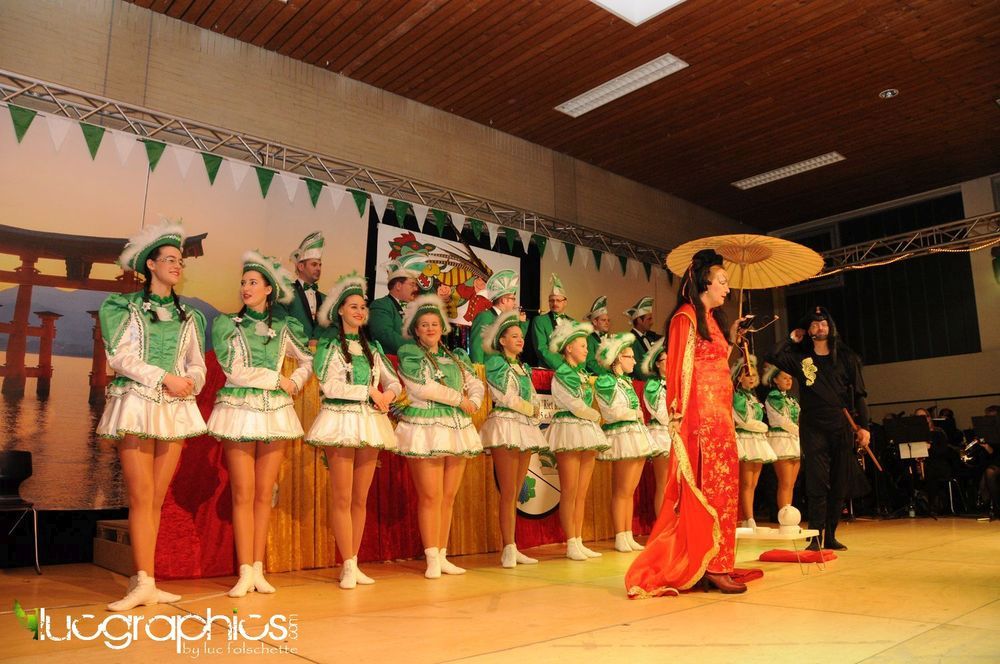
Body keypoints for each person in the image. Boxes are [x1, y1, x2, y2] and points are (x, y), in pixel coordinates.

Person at [97, 220, 207, 611]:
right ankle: (142, 580)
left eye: (180, 261)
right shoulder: (124, 307)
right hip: (138, 403)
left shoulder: (190, 316)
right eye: (170, 260)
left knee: (157, 498)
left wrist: (191, 381)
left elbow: (197, 363)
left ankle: (147, 580)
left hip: (174, 408)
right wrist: (165, 378)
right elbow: (120, 357)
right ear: (151, 265)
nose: (177, 266)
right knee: (141, 496)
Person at [626, 248, 748, 597]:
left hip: (722, 416)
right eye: (722, 281)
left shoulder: (714, 320)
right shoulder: (686, 317)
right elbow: (679, 368)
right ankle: (710, 564)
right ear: (705, 281)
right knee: (710, 488)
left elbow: (716, 362)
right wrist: (678, 415)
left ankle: (718, 561)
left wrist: (732, 337)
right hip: (701, 418)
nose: (727, 288)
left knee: (725, 489)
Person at [207, 251, 313, 597]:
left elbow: (307, 360)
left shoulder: (284, 328)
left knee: (264, 493)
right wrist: (277, 379)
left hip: (274, 413)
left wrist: (295, 382)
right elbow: (234, 370)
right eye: (243, 282)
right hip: (240, 410)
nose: (246, 288)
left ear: (269, 289)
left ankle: (258, 568)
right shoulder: (229, 325)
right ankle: (243, 571)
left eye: (253, 282)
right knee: (243, 492)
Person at [305, 272, 401, 589]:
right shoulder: (330, 346)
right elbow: (330, 385)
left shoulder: (373, 347)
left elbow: (394, 382)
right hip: (341, 421)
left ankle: (354, 561)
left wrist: (388, 395)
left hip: (370, 423)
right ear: (340, 311)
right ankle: (346, 563)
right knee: (343, 496)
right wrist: (368, 392)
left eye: (362, 307)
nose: (359, 311)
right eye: (353, 306)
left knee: (360, 498)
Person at [764, 306, 870, 551]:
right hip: (813, 427)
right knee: (816, 481)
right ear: (808, 330)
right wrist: (791, 338)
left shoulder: (847, 357)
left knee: (839, 481)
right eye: (814, 324)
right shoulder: (800, 358)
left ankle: (830, 535)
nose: (819, 327)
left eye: (823, 323)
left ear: (830, 327)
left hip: (841, 425)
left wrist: (864, 427)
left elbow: (860, 394)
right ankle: (815, 535)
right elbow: (771, 355)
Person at [394, 295, 485, 578]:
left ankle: (442, 554)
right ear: (416, 329)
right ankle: (431, 556)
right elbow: (422, 387)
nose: (430, 328)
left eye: (435, 323)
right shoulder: (410, 353)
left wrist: (475, 401)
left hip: (456, 428)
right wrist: (460, 400)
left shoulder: (456, 356)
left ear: (443, 327)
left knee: (448, 496)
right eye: (424, 324)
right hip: (426, 426)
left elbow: (475, 383)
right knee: (430, 495)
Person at [479, 310, 547, 568]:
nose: (520, 340)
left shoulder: (523, 367)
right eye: (514, 336)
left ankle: (513, 546)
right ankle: (507, 547)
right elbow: (506, 396)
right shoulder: (496, 363)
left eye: (521, 336)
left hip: (524, 426)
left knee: (516, 492)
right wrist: (531, 409)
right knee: (508, 492)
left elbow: (531, 395)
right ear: (502, 340)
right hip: (506, 424)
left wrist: (535, 408)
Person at [545, 319, 610, 561]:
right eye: (582, 345)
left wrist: (591, 416)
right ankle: (570, 541)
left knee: (581, 492)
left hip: (586, 430)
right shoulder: (562, 374)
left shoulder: (582, 374)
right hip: (570, 429)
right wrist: (594, 415)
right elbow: (574, 404)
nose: (586, 350)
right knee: (570, 490)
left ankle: (579, 539)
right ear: (569, 348)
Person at [594, 333, 657, 553]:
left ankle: (628, 533)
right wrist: (633, 413)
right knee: (621, 490)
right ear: (618, 358)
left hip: (635, 433)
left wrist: (635, 414)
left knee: (630, 490)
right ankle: (620, 535)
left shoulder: (626, 382)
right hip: (621, 435)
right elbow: (611, 412)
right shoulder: (605, 381)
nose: (634, 361)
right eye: (630, 357)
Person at [732, 354, 775, 529]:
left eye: (754, 375)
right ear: (739, 377)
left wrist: (760, 427)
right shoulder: (737, 396)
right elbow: (743, 420)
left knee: (754, 483)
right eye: (748, 375)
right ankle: (748, 518)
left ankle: (749, 517)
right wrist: (763, 427)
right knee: (746, 482)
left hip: (757, 440)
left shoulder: (753, 397)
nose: (751, 378)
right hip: (746, 439)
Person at [368, 252, 425, 355]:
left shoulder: (415, 309)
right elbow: (384, 335)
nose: (416, 289)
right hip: (391, 361)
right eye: (412, 284)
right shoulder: (381, 305)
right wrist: (418, 349)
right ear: (398, 285)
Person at [640, 338, 672, 518]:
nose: (670, 363)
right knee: (663, 482)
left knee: (675, 483)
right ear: (657, 364)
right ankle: (662, 524)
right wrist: (677, 419)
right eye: (666, 360)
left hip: (676, 433)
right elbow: (661, 413)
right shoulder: (653, 385)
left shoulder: (677, 382)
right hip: (662, 434)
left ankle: (673, 521)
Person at [762, 365, 801, 512]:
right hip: (782, 440)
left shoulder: (791, 398)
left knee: (791, 484)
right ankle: (784, 515)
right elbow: (782, 421)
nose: (788, 381)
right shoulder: (774, 397)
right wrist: (801, 432)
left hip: (794, 439)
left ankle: (788, 514)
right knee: (785, 483)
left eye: (790, 378)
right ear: (775, 380)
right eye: (784, 378)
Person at [469, 269, 522, 364]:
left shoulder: (507, 319)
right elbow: (476, 347)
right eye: (513, 299)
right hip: (488, 369)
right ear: (504, 300)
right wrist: (479, 369)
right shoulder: (484, 317)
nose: (515, 303)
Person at [285, 231, 325, 339]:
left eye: (320, 265)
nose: (318, 268)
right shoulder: (287, 292)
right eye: (314, 264)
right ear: (301, 266)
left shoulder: (325, 299)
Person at [529, 273, 573, 370]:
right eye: (551, 300)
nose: (554, 303)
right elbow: (541, 349)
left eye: (558, 300)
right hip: (548, 370)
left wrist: (575, 368)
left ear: (565, 302)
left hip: (572, 370)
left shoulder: (573, 323)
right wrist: (562, 367)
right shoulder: (540, 320)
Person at [625, 296, 661, 379]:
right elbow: (638, 370)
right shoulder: (631, 340)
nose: (652, 322)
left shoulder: (651, 337)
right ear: (639, 320)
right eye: (649, 319)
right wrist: (656, 379)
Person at [585, 295, 612, 376]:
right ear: (595, 322)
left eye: (608, 320)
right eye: (603, 320)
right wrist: (607, 375)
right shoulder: (589, 339)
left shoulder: (610, 339)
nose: (607, 323)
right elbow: (590, 362)